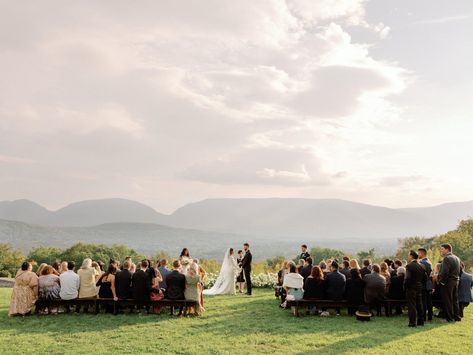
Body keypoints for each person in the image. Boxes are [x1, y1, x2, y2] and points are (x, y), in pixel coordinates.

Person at [439, 243, 461, 322]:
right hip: (456, 281)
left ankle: (449, 318)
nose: (441, 251)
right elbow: (460, 271)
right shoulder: (457, 258)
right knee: (455, 300)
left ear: (447, 249)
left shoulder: (446, 258)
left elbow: (445, 272)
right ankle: (457, 317)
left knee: (447, 300)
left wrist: (442, 282)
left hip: (448, 282)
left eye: (442, 249)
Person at [405, 250, 426, 327]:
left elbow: (407, 278)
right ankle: (421, 321)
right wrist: (421, 285)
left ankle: (412, 322)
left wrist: (405, 286)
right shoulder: (422, 266)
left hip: (411, 288)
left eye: (409, 255)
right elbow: (425, 278)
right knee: (419, 304)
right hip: (419, 287)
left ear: (411, 256)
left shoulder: (409, 266)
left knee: (412, 305)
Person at [418, 248, 433, 321]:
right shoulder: (429, 262)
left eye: (419, 253)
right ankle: (430, 316)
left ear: (422, 253)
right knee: (429, 301)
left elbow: (421, 274)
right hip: (429, 283)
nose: (418, 255)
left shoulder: (423, 263)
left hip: (424, 284)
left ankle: (423, 317)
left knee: (423, 301)